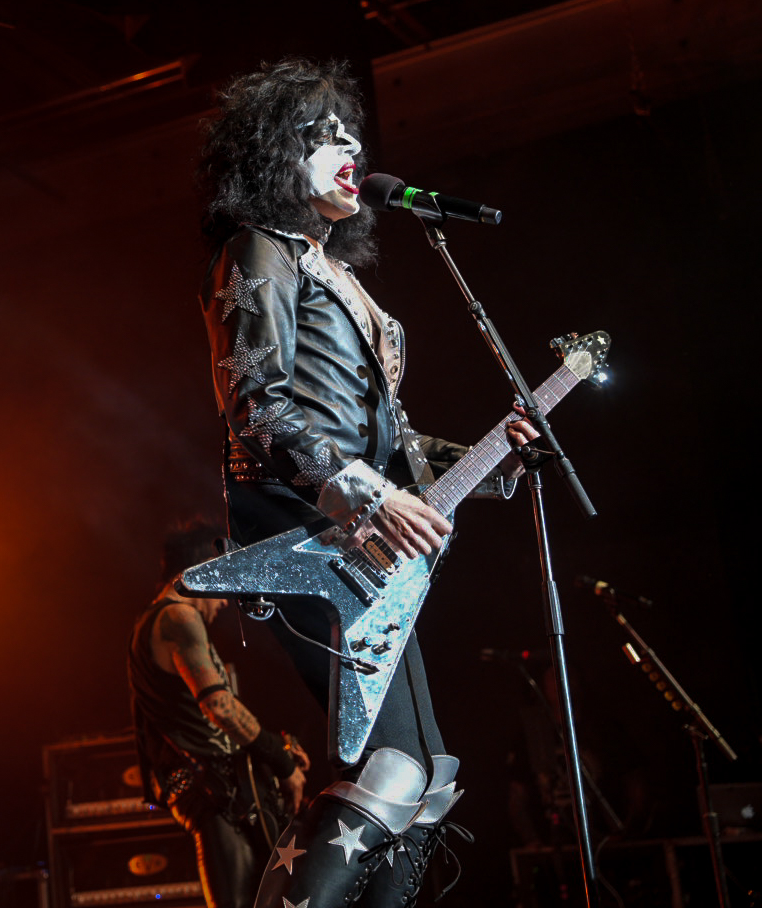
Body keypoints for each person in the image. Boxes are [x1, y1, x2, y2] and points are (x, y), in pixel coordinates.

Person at [195, 57, 538, 907]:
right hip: (303, 533)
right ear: (276, 154)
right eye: (324, 134)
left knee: (426, 781)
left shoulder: (335, 274)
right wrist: (368, 493)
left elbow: (392, 444)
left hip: (365, 544)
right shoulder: (258, 249)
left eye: (352, 132)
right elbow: (254, 397)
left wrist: (492, 456)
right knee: (388, 770)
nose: (351, 145)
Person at [130, 521, 312, 908]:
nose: (226, 600)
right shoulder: (178, 617)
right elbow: (219, 707)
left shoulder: (158, 620)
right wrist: (281, 763)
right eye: (221, 578)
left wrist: (276, 750)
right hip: (214, 792)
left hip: (222, 789)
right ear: (198, 571)